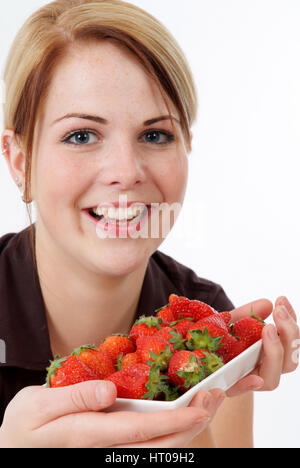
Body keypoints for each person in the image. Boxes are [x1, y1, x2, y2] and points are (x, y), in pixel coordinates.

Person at [0, 0, 298, 448]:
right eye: (81, 135)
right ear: (20, 162)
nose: (127, 170)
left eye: (155, 134)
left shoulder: (211, 337)